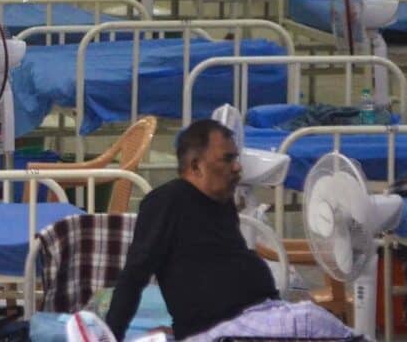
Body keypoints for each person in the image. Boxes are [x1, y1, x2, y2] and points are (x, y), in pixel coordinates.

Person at [105, 120, 355, 342]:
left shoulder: (221, 203)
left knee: (316, 321)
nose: (237, 168)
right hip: (228, 328)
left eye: (235, 159)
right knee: (310, 321)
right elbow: (134, 275)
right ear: (196, 166)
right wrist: (110, 335)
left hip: (259, 316)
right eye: (227, 159)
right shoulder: (167, 201)